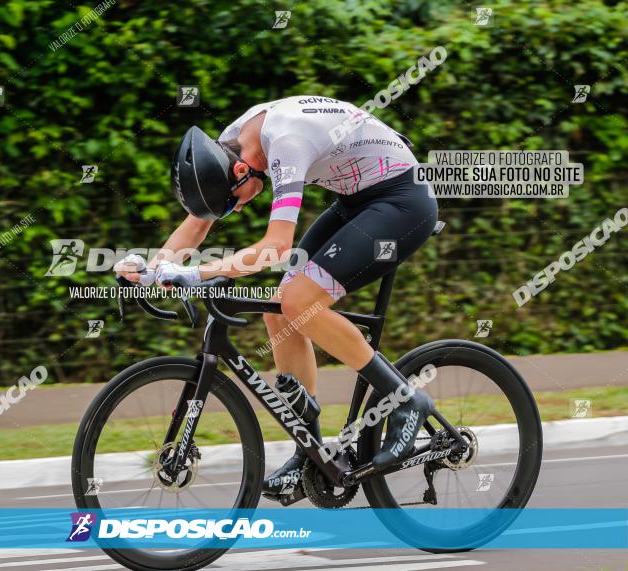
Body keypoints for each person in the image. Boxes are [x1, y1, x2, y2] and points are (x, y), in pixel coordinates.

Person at [115, 95, 438, 504]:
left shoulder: (286, 141)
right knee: (278, 311)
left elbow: (277, 246)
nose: (239, 206)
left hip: (402, 202)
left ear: (238, 170)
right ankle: (312, 455)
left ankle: (407, 400)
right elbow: (200, 222)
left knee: (299, 301)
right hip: (359, 198)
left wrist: (196, 273)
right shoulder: (233, 142)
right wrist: (155, 268)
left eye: (235, 201)